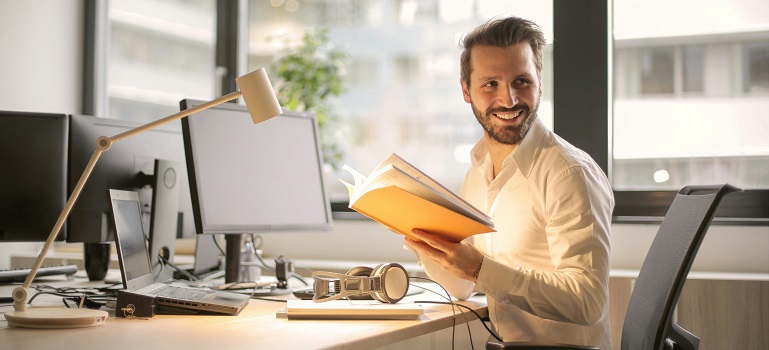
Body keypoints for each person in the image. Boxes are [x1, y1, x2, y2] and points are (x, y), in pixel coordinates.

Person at [404, 16, 614, 349]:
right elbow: (462, 286)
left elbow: (587, 302)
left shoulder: (569, 173)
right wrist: (425, 243)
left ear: (539, 82)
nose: (509, 99)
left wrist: (481, 268)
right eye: (490, 84)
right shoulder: (478, 169)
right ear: (465, 90)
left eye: (521, 81)